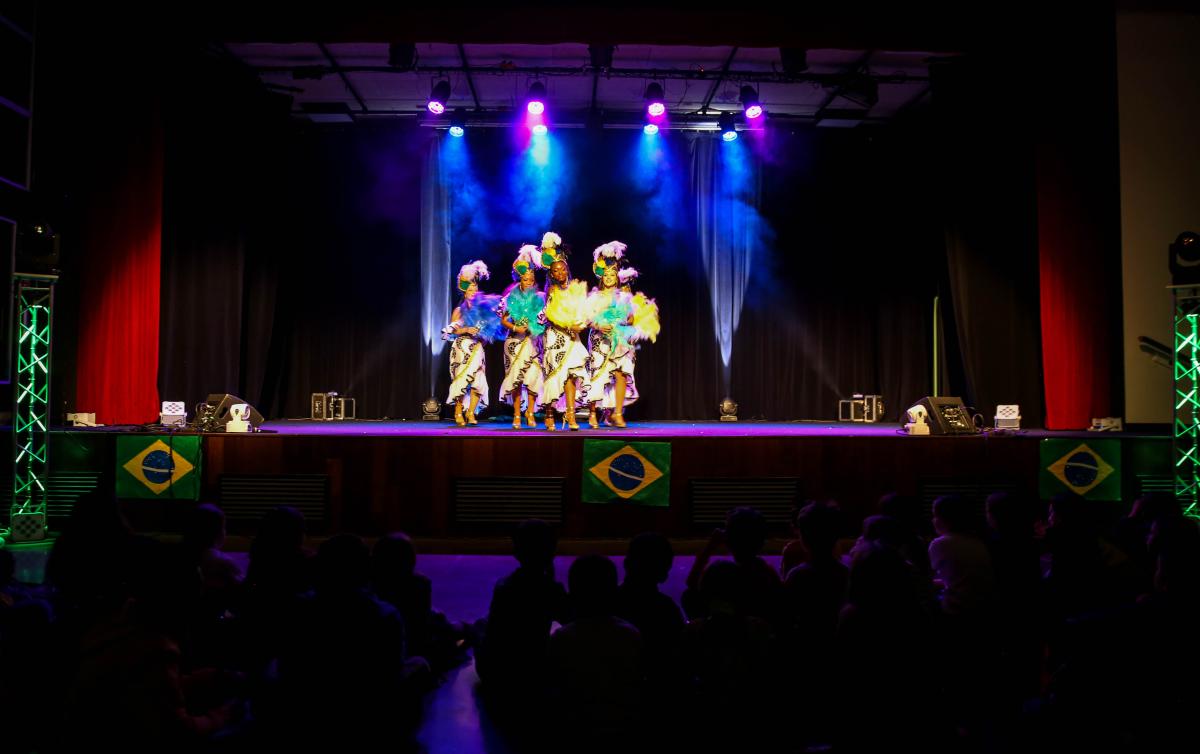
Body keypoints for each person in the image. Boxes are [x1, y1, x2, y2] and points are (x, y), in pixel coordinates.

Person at [539, 232, 590, 431]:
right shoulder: (551, 291)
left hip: (572, 336)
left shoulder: (575, 288)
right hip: (556, 336)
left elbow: (582, 311)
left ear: (566, 269)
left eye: (562, 269)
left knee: (571, 375)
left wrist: (580, 323)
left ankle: (571, 415)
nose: (560, 273)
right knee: (553, 375)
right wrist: (569, 327)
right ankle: (549, 413)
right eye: (556, 271)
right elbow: (551, 315)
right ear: (551, 274)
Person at [584, 241, 638, 429]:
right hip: (600, 339)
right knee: (598, 374)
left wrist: (622, 321)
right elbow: (587, 319)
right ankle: (593, 413)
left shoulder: (624, 297)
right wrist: (599, 325)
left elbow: (631, 319)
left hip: (619, 340)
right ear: (601, 277)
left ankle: (617, 413)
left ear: (617, 277)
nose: (609, 278)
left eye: (612, 275)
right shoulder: (594, 297)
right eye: (606, 275)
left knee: (621, 373)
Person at [444, 260, 502, 426]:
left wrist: (484, 336)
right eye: (470, 290)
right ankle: (458, 411)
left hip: (477, 347)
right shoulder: (459, 310)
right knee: (462, 379)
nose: (473, 292)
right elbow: (451, 331)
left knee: (478, 380)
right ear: (465, 292)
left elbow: (489, 330)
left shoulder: (484, 311)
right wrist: (467, 329)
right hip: (462, 348)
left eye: (475, 290)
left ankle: (470, 412)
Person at [499, 244, 547, 429]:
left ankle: (531, 412)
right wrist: (515, 327)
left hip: (533, 341)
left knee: (534, 376)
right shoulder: (510, 297)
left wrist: (536, 326)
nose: (529, 282)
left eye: (532, 280)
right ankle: (517, 414)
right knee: (517, 378)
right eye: (526, 279)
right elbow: (503, 320)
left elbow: (544, 319)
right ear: (520, 278)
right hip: (515, 342)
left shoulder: (540, 297)